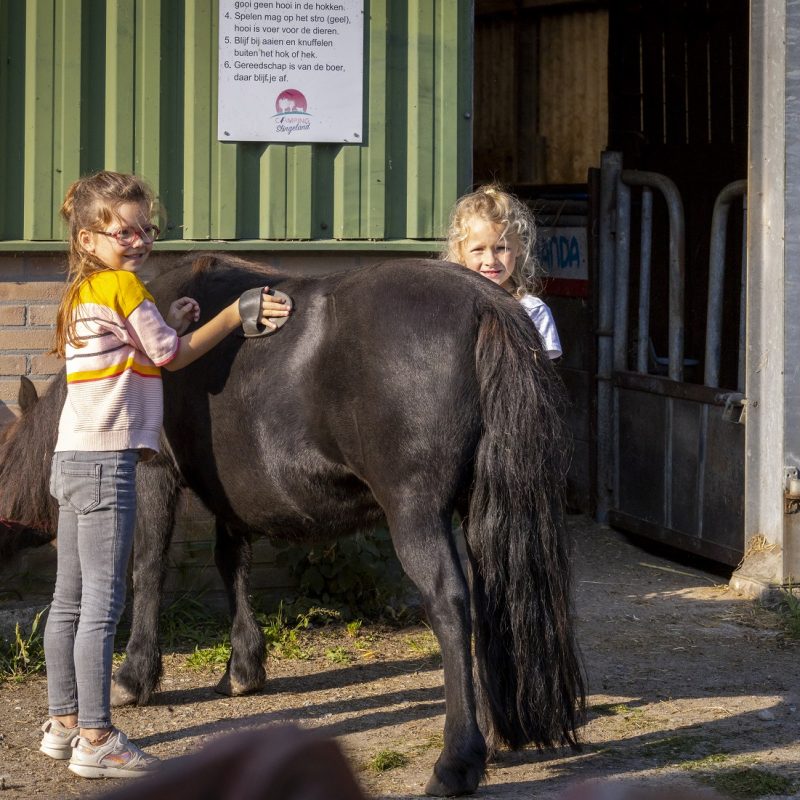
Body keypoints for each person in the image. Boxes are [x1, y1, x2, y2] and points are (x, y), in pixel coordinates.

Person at [38, 171, 291, 779]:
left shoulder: (83, 293)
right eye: (123, 231)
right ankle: (97, 740)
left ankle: (62, 722)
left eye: (147, 230)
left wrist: (166, 318)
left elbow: (137, 350)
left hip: (70, 460)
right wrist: (235, 314)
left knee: (67, 602)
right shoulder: (124, 285)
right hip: (106, 465)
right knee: (102, 605)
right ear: (88, 237)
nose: (139, 241)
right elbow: (171, 357)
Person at [443, 183, 562, 359]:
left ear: (519, 247)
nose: (490, 261)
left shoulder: (533, 311)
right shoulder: (450, 310)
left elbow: (540, 378)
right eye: (478, 250)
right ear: (460, 252)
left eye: (501, 248)